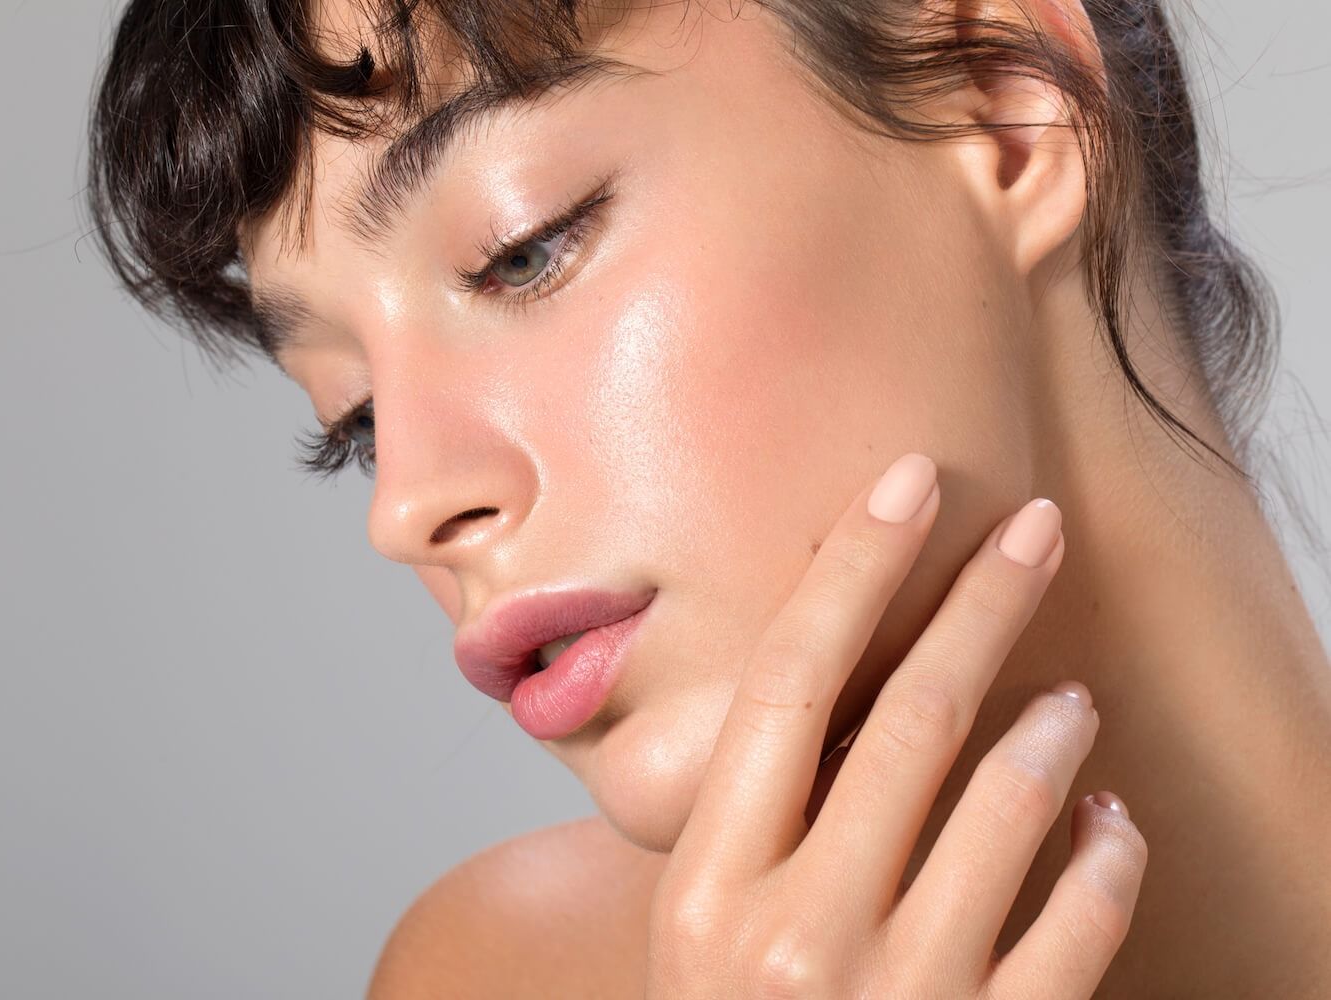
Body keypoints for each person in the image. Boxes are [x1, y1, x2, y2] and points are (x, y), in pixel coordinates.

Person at [84, 0, 1331, 994]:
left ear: (1003, 100)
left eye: (522, 249)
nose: (405, 504)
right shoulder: (491, 973)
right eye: (355, 417)